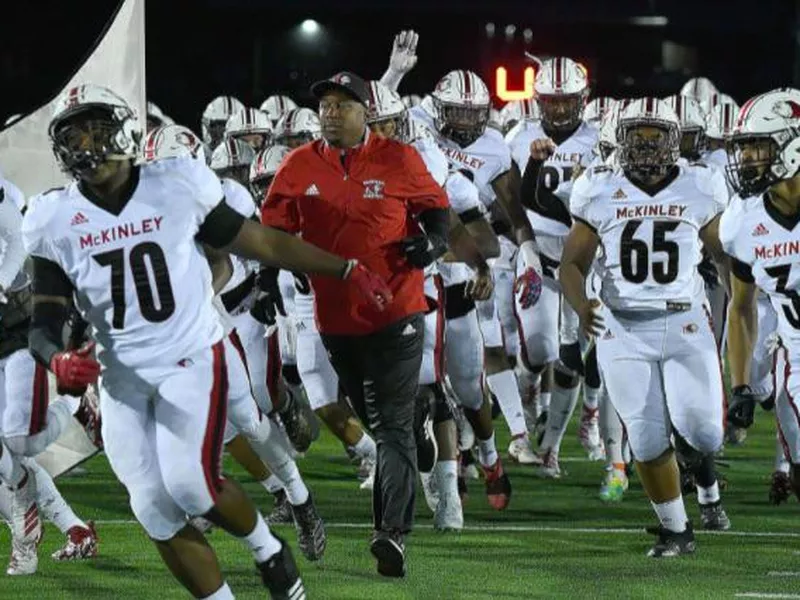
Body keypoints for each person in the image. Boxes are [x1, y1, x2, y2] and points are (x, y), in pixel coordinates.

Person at [23, 83, 390, 599]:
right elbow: (45, 319)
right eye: (74, 135)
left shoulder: (175, 182)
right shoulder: (52, 217)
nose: (86, 145)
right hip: (121, 378)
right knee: (151, 506)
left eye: (96, 129)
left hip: (189, 356)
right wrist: (55, 358)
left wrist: (346, 269)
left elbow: (258, 240)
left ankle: (268, 549)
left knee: (190, 483)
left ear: (123, 130)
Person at [260, 71, 450, 578]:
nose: (331, 112)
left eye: (343, 104)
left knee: (389, 430)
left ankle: (391, 534)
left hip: (397, 309)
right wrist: (263, 280)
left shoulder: (399, 157)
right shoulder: (297, 166)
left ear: (367, 111)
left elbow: (437, 211)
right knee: (377, 422)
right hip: (336, 319)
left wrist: (431, 244)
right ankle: (417, 414)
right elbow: (271, 233)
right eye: (325, 104)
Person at [559, 97, 730, 557]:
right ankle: (677, 530)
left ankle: (704, 476)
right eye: (639, 134)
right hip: (621, 326)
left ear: (676, 139)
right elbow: (571, 264)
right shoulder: (597, 188)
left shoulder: (700, 185)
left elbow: (723, 253)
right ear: (620, 138)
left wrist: (742, 288)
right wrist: (581, 304)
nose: (649, 145)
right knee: (647, 436)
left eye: (657, 135)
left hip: (685, 320)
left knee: (704, 431)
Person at [722, 87, 800, 502]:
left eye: (758, 145)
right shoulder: (741, 220)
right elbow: (740, 307)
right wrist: (741, 387)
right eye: (745, 147)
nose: (748, 157)